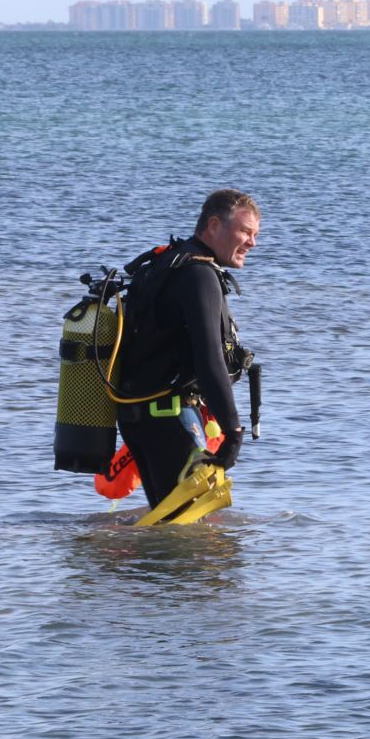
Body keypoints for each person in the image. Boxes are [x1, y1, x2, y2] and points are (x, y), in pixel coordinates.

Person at [111, 190, 260, 510]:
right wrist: (233, 430)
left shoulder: (166, 262)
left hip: (138, 416)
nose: (252, 243)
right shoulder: (199, 275)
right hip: (169, 417)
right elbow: (210, 358)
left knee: (168, 519)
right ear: (215, 225)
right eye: (245, 232)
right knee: (191, 533)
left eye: (255, 235)